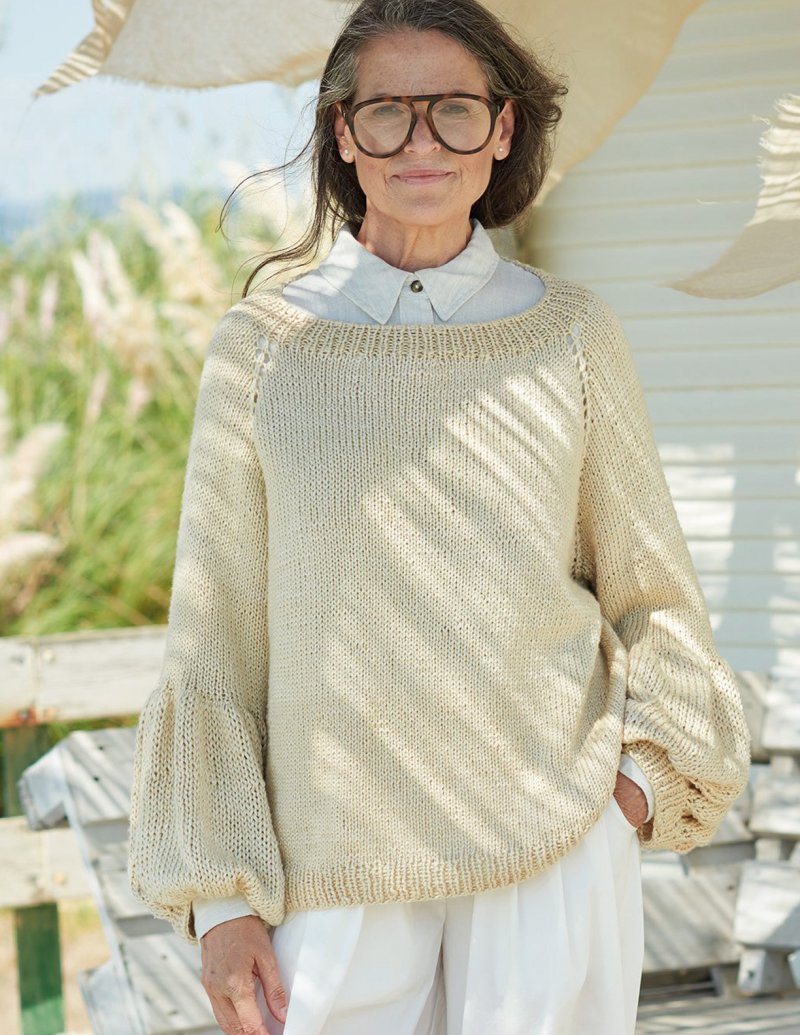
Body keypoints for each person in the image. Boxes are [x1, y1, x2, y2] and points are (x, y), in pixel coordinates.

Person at [127, 1, 752, 1033]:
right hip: (331, 871)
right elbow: (214, 638)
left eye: (454, 110)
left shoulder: (569, 335)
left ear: (501, 129)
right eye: (388, 112)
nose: (421, 143)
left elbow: (653, 593)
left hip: (551, 854)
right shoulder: (264, 350)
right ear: (343, 133)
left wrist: (629, 794)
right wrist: (222, 899)